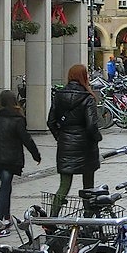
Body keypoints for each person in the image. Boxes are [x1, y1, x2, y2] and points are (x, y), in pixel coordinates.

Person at [49, 65, 108, 216]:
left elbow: (51, 121)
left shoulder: (59, 95)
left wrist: (60, 136)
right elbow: (91, 126)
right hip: (85, 146)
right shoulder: (87, 97)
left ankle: (52, 218)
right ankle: (88, 218)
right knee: (88, 186)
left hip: (65, 145)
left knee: (64, 185)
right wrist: (97, 138)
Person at [0, 90, 41, 222]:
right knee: (5, 188)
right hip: (10, 159)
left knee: (6, 186)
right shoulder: (17, 119)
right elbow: (26, 139)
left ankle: (6, 217)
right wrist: (36, 155)